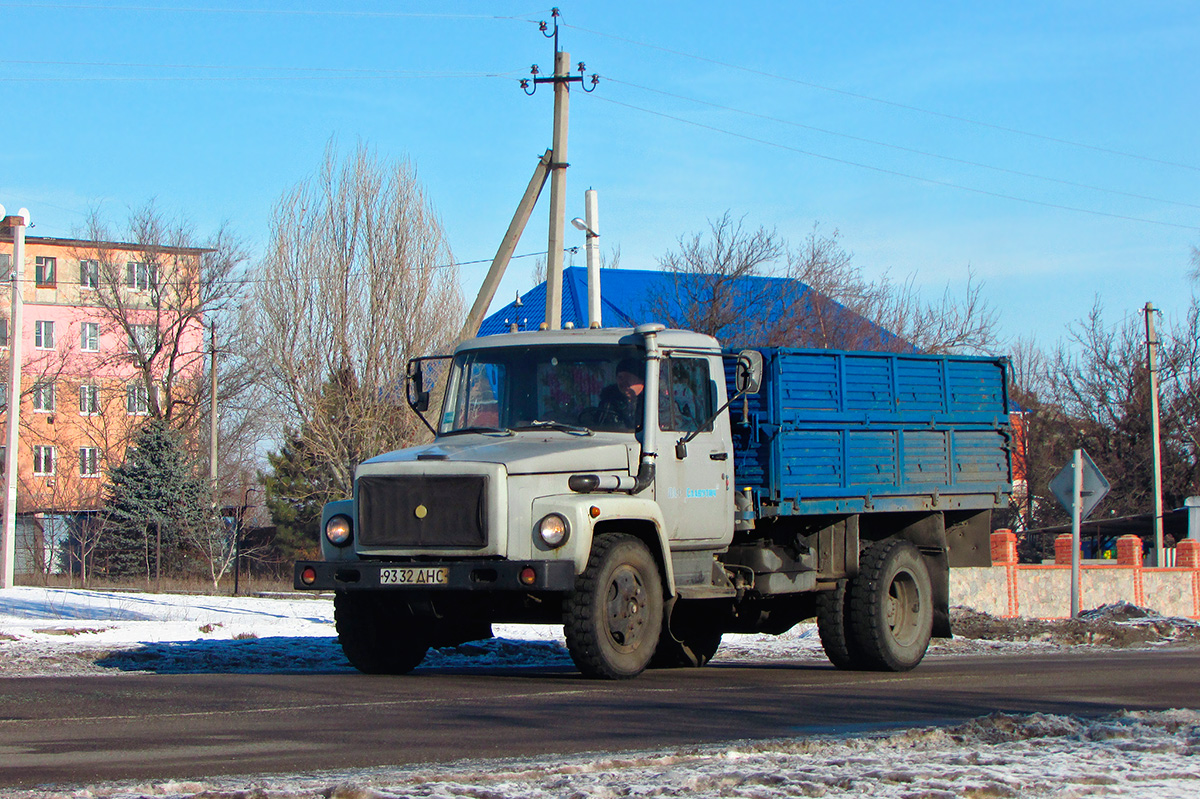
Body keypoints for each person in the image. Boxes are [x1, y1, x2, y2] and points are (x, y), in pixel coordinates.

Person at [597, 357, 644, 429]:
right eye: (620, 377)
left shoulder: (654, 403)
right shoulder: (608, 404)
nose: (624, 382)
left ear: (641, 381)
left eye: (629, 378)